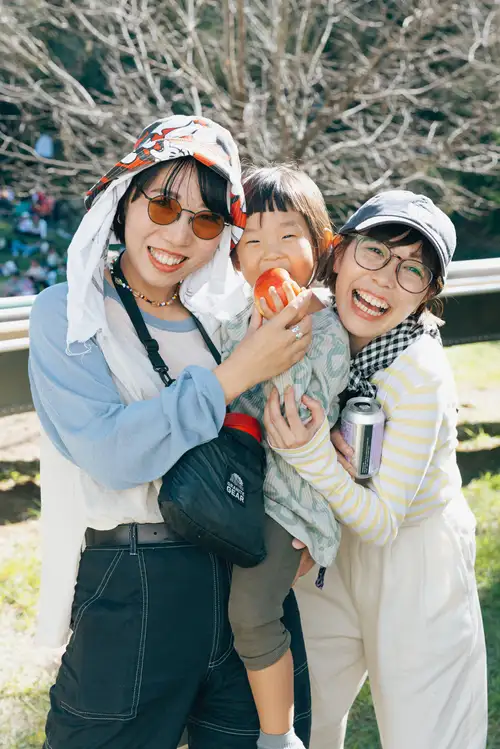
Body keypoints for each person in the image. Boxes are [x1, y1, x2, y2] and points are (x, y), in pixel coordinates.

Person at [28, 115, 313, 749]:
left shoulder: (231, 317)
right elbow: (109, 453)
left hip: (247, 577)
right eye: (162, 205)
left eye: (206, 221)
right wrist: (233, 376)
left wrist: (310, 523)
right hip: (135, 585)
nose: (179, 235)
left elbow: (293, 420)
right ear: (124, 199)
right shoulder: (69, 312)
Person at [263, 190, 488, 749]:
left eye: (413, 269)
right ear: (338, 253)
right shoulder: (310, 321)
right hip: (328, 546)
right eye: (375, 252)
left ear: (428, 294)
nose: (385, 279)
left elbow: (384, 522)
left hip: (416, 559)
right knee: (306, 718)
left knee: (426, 733)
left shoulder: (419, 372)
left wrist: (311, 455)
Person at [220, 166, 350, 749]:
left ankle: (279, 738)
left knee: (252, 613)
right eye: (252, 240)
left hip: (289, 504)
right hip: (235, 489)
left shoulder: (326, 325)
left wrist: (284, 324)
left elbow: (301, 407)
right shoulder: (231, 322)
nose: (269, 251)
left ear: (321, 245)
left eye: (288, 235)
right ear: (234, 255)